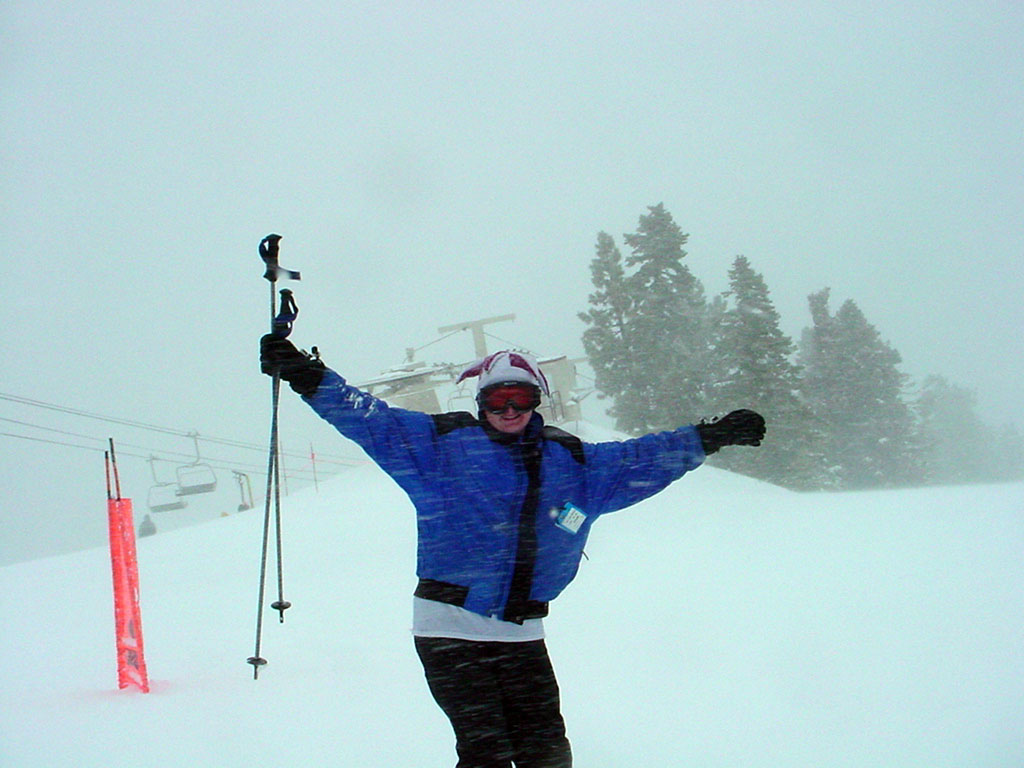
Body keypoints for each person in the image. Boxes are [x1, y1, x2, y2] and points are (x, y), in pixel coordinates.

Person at [260, 336, 766, 768]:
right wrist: (306, 374)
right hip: (450, 627)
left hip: (521, 631)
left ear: (536, 401)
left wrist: (710, 436)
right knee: (487, 753)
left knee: (547, 753)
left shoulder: (574, 462)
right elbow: (370, 419)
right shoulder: (441, 446)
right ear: (481, 402)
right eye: (497, 400)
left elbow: (642, 457)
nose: (508, 411)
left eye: (519, 399)